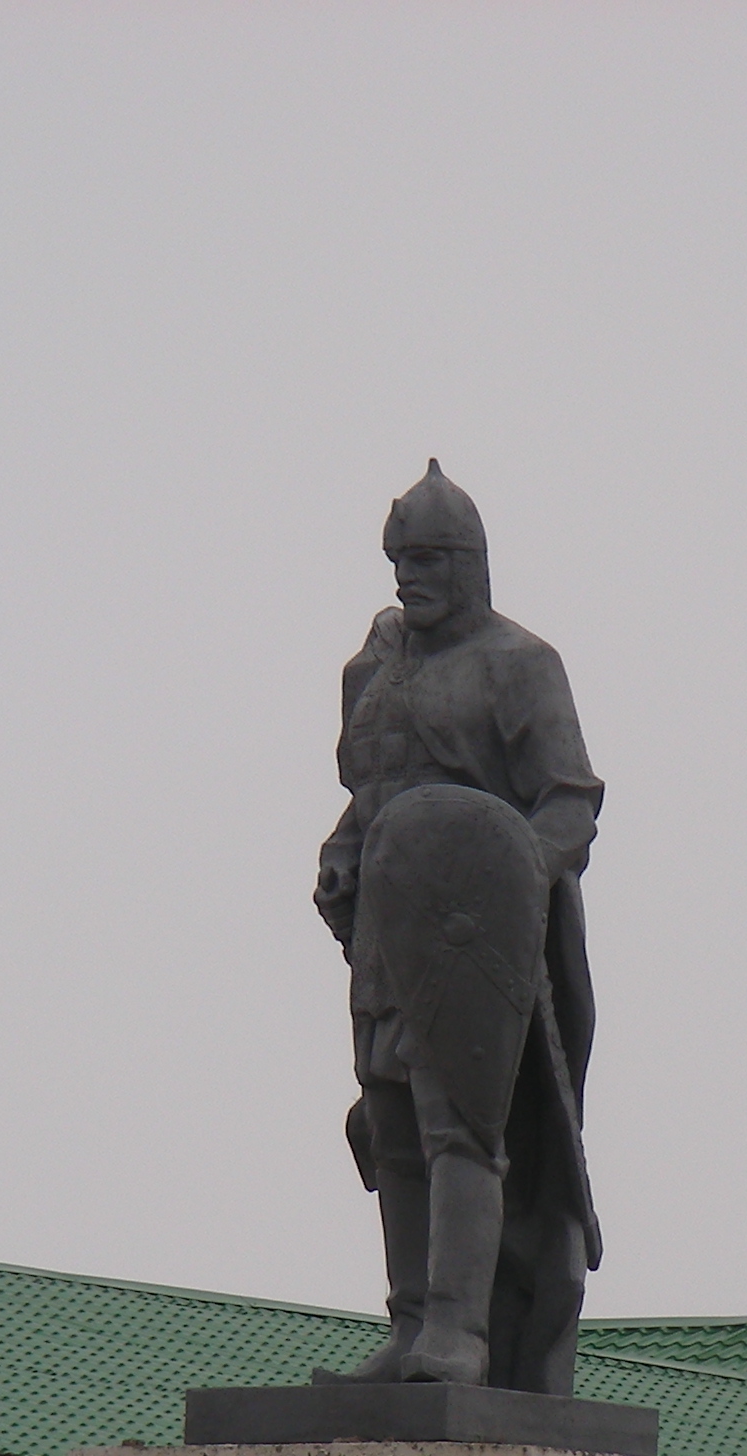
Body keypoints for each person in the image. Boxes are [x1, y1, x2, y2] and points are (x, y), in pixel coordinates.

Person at [313, 462, 604, 1392]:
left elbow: (568, 806)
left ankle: (458, 1333)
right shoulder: (374, 671)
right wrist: (343, 851)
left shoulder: (519, 664)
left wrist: (514, 875)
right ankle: (409, 1327)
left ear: (472, 561)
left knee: (461, 1126)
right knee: (391, 1123)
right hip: (388, 933)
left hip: (478, 941)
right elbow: (375, 797)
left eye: (430, 558)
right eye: (400, 560)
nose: (410, 577)